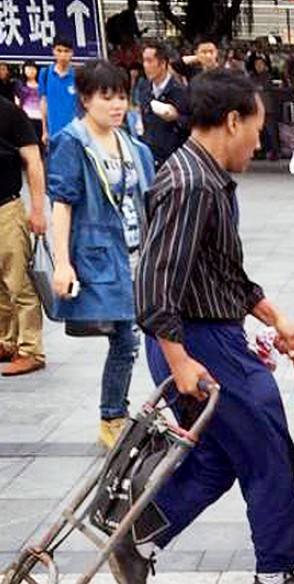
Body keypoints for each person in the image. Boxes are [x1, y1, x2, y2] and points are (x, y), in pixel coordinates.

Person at [128, 68, 294, 584]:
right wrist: (179, 359)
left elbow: (220, 272)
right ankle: (276, 574)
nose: (259, 142)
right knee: (264, 436)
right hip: (196, 342)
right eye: (257, 129)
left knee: (220, 457)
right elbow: (154, 282)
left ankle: (138, 536)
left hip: (206, 333)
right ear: (232, 120)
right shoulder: (190, 184)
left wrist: (271, 315)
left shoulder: (206, 177)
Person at [48, 60, 155, 446]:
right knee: (126, 336)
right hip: (98, 254)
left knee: (130, 334)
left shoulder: (129, 142)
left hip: (133, 252)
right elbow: (62, 203)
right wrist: (63, 263)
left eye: (122, 96)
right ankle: (112, 416)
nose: (116, 105)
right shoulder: (72, 141)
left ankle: (115, 415)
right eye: (106, 96)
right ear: (86, 98)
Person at [0, 95, 47, 377]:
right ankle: (6, 341)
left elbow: (34, 162)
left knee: (18, 282)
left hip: (6, 208)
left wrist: (38, 210)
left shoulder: (11, 114)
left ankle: (31, 349)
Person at [136, 43, 190, 168]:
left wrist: (176, 117)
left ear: (163, 63)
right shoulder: (144, 88)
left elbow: (193, 124)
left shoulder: (180, 92)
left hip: (174, 161)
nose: (145, 66)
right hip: (150, 158)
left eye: (150, 61)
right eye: (144, 61)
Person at [40, 36, 77, 147]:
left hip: (74, 134)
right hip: (53, 134)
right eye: (59, 50)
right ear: (53, 51)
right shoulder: (45, 73)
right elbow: (43, 102)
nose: (62, 55)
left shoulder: (78, 76)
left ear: (72, 53)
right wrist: (44, 130)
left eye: (66, 51)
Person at [16, 62, 44, 145]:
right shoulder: (20, 85)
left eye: (33, 69)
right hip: (26, 118)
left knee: (39, 143)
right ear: (24, 71)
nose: (31, 71)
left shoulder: (41, 85)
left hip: (40, 118)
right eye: (28, 69)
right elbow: (17, 102)